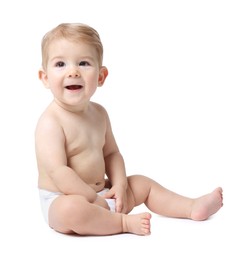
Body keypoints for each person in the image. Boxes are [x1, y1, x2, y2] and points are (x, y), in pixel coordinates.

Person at [35, 23, 223, 236]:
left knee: (142, 184)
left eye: (84, 63)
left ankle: (190, 207)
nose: (73, 72)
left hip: (103, 194)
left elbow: (111, 154)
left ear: (100, 76)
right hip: (63, 198)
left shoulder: (99, 114)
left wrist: (120, 186)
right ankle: (123, 224)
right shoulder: (50, 122)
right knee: (72, 210)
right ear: (45, 77)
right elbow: (59, 173)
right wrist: (92, 198)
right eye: (60, 64)